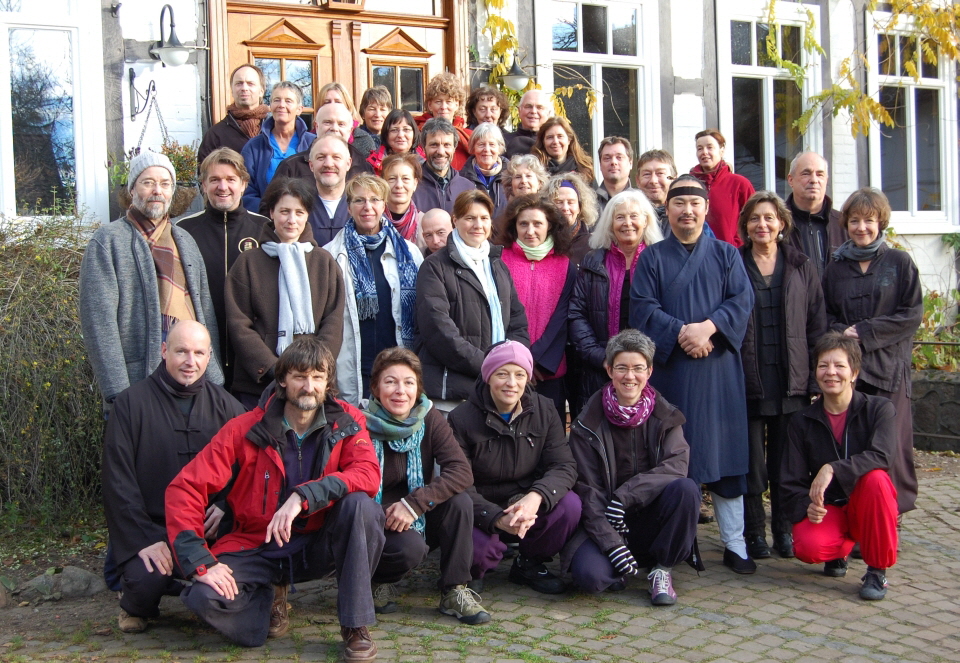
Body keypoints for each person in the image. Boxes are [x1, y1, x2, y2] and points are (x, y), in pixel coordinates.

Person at [165, 337, 385, 659]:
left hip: (318, 543)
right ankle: (267, 601)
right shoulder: (244, 429)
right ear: (282, 380)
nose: (308, 386)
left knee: (361, 506)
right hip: (258, 546)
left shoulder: (348, 421)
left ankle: (355, 625)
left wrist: (304, 496)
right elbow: (185, 488)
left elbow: (367, 474)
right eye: (299, 376)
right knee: (203, 597)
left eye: (318, 377)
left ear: (327, 382)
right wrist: (200, 562)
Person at [630, 177, 756, 573]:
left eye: (694, 203)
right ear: (667, 209)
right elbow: (642, 307)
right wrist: (682, 332)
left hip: (719, 369)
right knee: (674, 458)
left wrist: (710, 328)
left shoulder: (727, 255)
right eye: (679, 203)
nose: (687, 210)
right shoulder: (651, 258)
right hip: (673, 373)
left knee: (726, 456)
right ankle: (683, 542)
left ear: (705, 209)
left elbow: (742, 300)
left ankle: (735, 544)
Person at [103, 321, 245, 633]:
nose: (189, 361)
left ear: (209, 358)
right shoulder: (130, 405)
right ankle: (134, 604)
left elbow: (249, 470)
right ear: (164, 351)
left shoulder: (229, 408)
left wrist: (226, 506)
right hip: (153, 529)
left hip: (209, 530)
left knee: (239, 580)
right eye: (181, 351)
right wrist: (145, 540)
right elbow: (118, 482)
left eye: (198, 353)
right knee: (148, 578)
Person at [80, 150, 224, 410]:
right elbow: (99, 322)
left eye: (165, 183)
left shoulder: (185, 241)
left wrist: (214, 378)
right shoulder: (108, 241)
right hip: (136, 382)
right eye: (148, 182)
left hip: (189, 378)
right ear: (132, 189)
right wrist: (118, 393)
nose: (158, 190)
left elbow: (205, 314)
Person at [566, 329, 700, 604]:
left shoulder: (666, 415)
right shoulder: (585, 425)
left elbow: (676, 466)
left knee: (686, 489)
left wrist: (625, 496)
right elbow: (587, 491)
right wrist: (611, 543)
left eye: (638, 368)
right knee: (590, 577)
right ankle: (620, 561)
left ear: (649, 371)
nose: (630, 376)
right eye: (622, 368)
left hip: (652, 519)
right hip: (605, 521)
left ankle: (662, 568)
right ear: (609, 369)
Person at [363, 347, 490, 624]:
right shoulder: (359, 423)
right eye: (390, 382)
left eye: (408, 382)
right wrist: (390, 512)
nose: (400, 391)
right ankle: (377, 581)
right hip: (374, 518)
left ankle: (454, 590)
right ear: (375, 387)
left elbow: (461, 471)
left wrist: (414, 504)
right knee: (410, 548)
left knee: (460, 502)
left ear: (418, 388)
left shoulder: (429, 418)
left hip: (416, 510)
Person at [448, 341, 581, 593]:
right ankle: (476, 569)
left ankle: (528, 563)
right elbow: (457, 482)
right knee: (478, 552)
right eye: (502, 374)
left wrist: (537, 496)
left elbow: (564, 465)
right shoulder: (460, 418)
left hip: (524, 505)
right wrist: (496, 518)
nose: (512, 383)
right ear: (488, 377)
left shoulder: (545, 409)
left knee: (570, 505)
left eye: (520, 374)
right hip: (482, 509)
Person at [737, 191, 826, 560]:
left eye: (769, 218)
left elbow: (817, 322)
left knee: (787, 463)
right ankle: (754, 531)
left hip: (792, 379)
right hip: (749, 379)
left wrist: (816, 379)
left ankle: (785, 529)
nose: (762, 225)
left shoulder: (802, 265)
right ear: (745, 226)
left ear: (782, 224)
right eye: (755, 219)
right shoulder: (735, 263)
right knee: (753, 463)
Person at [822, 187, 922, 514]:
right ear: (846, 225)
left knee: (890, 445)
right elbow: (826, 314)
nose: (861, 227)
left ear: (880, 222)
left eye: (869, 220)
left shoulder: (898, 263)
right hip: (850, 374)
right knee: (854, 444)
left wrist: (864, 332)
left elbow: (911, 314)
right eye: (854, 221)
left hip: (889, 371)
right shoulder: (835, 268)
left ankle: (890, 513)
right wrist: (842, 333)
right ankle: (856, 514)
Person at [781, 332, 899, 601]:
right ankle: (838, 553)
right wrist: (806, 506)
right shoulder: (802, 421)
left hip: (867, 505)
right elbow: (790, 480)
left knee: (877, 479)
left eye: (839, 366)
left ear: (854, 372)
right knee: (808, 547)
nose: (830, 373)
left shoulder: (880, 409)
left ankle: (876, 571)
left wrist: (832, 468)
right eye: (823, 365)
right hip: (830, 508)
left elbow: (883, 455)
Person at [226, 177, 345, 409]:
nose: (292, 220)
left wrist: (313, 370)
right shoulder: (248, 263)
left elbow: (333, 320)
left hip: (312, 385)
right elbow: (239, 324)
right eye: (284, 211)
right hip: (260, 386)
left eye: (299, 212)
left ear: (307, 215)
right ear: (271, 212)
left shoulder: (324, 262)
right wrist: (275, 370)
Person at [415, 190, 529, 407]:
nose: (478, 225)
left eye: (484, 218)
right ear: (455, 221)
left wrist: (513, 362)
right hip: (454, 393)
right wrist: (489, 365)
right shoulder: (434, 267)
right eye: (470, 218)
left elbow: (517, 321)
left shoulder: (498, 265)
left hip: (498, 387)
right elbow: (438, 330)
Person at [323, 174, 424, 405]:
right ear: (348, 207)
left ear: (384, 205)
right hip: (353, 361)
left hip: (397, 361)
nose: (367, 207)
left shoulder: (409, 253)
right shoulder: (330, 255)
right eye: (359, 200)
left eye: (375, 200)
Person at [178, 148, 268, 388]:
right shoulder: (183, 231)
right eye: (214, 179)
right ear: (203, 185)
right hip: (200, 353)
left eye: (230, 179)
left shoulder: (264, 229)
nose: (223, 187)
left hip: (252, 354)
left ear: (244, 184)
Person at [569, 190, 662, 413]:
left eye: (634, 216)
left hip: (650, 369)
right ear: (610, 223)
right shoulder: (594, 262)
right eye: (620, 217)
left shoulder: (660, 261)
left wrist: (647, 362)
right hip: (600, 368)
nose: (627, 223)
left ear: (646, 220)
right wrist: (602, 358)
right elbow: (576, 314)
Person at [497, 195, 575, 419]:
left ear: (549, 226)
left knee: (549, 435)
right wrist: (518, 360)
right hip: (508, 368)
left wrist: (537, 361)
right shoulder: (499, 260)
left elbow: (562, 318)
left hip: (547, 370)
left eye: (537, 223)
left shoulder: (565, 265)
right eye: (523, 224)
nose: (530, 231)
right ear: (515, 227)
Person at [241, 81, 316, 214]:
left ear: (299, 109)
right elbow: (246, 189)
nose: (281, 105)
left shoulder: (313, 144)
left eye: (288, 101)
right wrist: (270, 212)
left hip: (306, 220)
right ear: (270, 106)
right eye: (277, 100)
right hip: (264, 221)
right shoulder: (254, 147)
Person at [270, 103, 375, 198]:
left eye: (341, 124)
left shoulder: (364, 168)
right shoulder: (291, 166)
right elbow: (271, 209)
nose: (334, 128)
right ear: (316, 126)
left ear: (351, 130)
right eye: (328, 122)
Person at [785, 151, 846, 278]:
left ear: (826, 180)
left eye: (820, 174)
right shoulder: (778, 224)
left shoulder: (843, 224)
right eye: (806, 173)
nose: (814, 180)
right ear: (791, 180)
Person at [690, 129, 755, 247]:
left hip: (731, 254)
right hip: (695, 254)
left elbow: (753, 217)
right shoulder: (689, 184)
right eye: (700, 148)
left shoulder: (739, 184)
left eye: (710, 147)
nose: (704, 152)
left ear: (722, 150)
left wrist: (739, 244)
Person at [199, 64, 268, 164]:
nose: (244, 88)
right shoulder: (216, 134)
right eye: (239, 83)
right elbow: (205, 175)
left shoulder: (274, 127)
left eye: (250, 83)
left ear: (261, 91)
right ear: (232, 90)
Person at [412, 118, 474, 215]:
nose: (441, 152)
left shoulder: (468, 188)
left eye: (447, 145)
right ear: (424, 148)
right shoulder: (412, 187)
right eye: (434, 145)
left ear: (454, 148)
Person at [415, 72, 472, 171]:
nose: (443, 107)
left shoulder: (469, 137)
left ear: (457, 105)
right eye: (438, 102)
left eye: (449, 102)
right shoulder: (417, 132)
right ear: (429, 105)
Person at [540, 173, 599, 267]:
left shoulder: (592, 244)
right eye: (559, 202)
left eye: (571, 202)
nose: (565, 208)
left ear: (580, 207)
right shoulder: (539, 240)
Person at [304, 134, 352, 246]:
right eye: (321, 157)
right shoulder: (300, 206)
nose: (329, 164)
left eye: (336, 157)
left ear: (348, 163)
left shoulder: (364, 206)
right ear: (311, 165)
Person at [459, 122, 508, 216]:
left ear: (500, 147)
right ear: (473, 148)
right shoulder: (462, 178)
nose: (487, 149)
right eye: (481, 144)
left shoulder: (512, 176)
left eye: (492, 144)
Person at [532, 116, 595, 184]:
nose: (555, 141)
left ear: (569, 140)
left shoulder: (584, 170)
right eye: (550, 137)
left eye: (560, 136)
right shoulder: (534, 170)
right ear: (543, 142)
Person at [366, 108, 425, 176]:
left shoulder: (426, 163)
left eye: (406, 129)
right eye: (394, 130)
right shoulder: (371, 165)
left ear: (414, 133)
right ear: (386, 134)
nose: (400, 135)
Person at [382, 152, 424, 242]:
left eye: (405, 179)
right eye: (392, 179)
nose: (399, 185)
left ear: (415, 183)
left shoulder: (424, 223)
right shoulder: (372, 220)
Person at [636, 149, 677, 234]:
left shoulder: (684, 216)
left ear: (674, 179)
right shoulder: (630, 218)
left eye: (660, 173)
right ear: (638, 180)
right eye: (647, 174)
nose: (653, 181)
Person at [506, 89, 552, 158]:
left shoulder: (553, 143)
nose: (533, 111)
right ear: (519, 111)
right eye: (528, 106)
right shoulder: (504, 141)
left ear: (548, 113)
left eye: (539, 107)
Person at [595, 137, 635, 212]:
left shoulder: (641, 202)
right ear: (600, 165)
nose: (613, 162)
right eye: (607, 158)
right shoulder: (588, 204)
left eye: (619, 157)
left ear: (630, 163)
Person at [355, 85, 393, 155]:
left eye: (382, 109)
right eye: (372, 109)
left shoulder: (395, 139)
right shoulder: (355, 140)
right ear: (363, 113)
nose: (377, 115)